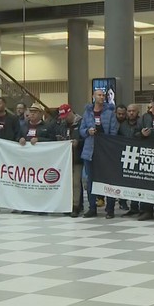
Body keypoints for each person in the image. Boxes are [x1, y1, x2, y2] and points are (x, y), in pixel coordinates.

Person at [79, 89, 117, 219]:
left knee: (108, 180)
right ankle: (92, 207)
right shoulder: (87, 112)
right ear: (93, 97)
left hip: (105, 151)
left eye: (103, 95)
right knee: (91, 181)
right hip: (90, 151)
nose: (101, 97)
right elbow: (81, 130)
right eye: (99, 95)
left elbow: (113, 132)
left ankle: (110, 208)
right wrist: (87, 132)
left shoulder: (110, 112)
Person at [54, 104, 84, 217]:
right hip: (65, 159)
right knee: (67, 183)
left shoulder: (81, 123)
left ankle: (76, 205)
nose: (64, 119)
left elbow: (86, 137)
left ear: (71, 112)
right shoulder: (62, 125)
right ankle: (69, 204)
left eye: (66, 116)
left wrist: (78, 142)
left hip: (77, 157)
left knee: (76, 182)